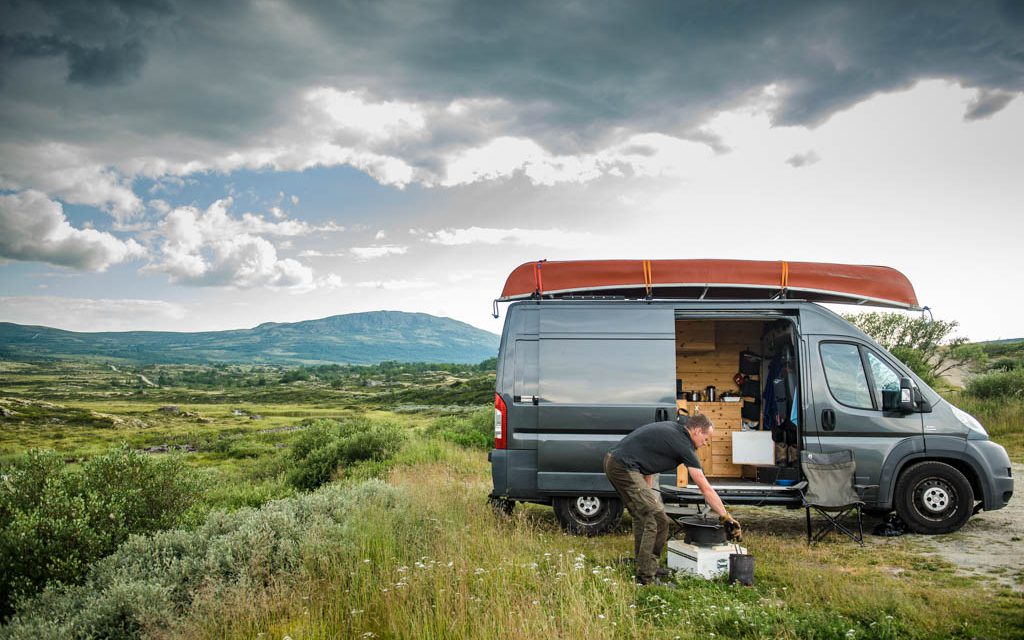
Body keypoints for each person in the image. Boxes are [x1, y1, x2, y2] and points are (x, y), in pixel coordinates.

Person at [603, 413, 742, 586]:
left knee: (643, 516)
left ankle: (644, 564)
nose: (705, 443)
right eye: (706, 439)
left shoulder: (675, 432)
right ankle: (646, 577)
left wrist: (649, 495)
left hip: (616, 462)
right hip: (623, 467)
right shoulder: (684, 445)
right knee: (657, 520)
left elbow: (647, 460)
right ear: (698, 431)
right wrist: (725, 516)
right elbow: (704, 488)